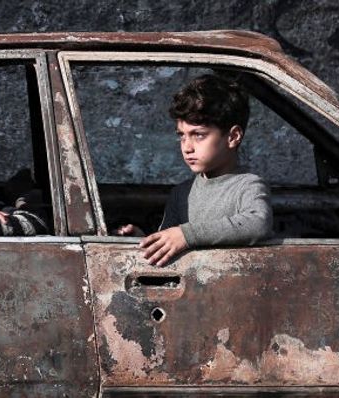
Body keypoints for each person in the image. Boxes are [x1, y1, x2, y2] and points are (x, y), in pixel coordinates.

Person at [117, 74, 272, 265]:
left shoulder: (246, 185)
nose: (187, 147)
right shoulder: (181, 193)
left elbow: (257, 223)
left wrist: (187, 234)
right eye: (182, 136)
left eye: (198, 135)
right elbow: (170, 241)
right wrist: (147, 241)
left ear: (233, 136)